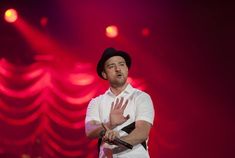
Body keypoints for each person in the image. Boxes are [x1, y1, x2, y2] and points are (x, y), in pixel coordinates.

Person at [85, 47, 155, 158]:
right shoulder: (96, 102)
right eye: (111, 66)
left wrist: (116, 143)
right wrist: (110, 124)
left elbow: (142, 131)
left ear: (127, 69)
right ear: (104, 74)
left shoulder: (141, 97)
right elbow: (89, 130)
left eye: (122, 64)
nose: (118, 69)